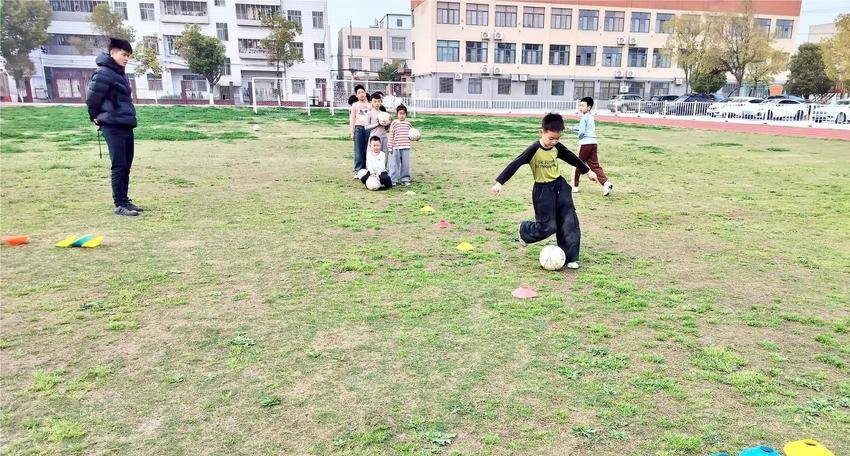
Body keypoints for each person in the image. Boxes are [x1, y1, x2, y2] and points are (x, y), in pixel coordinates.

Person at [491, 113, 598, 269]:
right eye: (551, 138)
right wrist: (499, 182)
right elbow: (515, 163)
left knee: (569, 220)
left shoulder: (557, 147)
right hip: (543, 191)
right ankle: (525, 231)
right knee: (548, 226)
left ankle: (570, 257)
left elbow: (572, 158)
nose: (554, 142)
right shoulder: (533, 149)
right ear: (542, 132)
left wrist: (588, 171)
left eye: (557, 139)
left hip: (560, 187)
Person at [85, 37, 141, 216]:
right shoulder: (103, 73)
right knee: (119, 164)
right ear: (113, 53)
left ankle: (125, 201)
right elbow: (92, 98)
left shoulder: (119, 73)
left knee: (126, 165)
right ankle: (120, 204)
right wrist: (96, 118)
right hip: (112, 125)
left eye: (128, 56)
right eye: (124, 54)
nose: (127, 59)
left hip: (125, 124)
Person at [571, 96, 613, 196]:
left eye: (583, 105)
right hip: (593, 143)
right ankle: (606, 183)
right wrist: (573, 128)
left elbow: (582, 132)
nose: (580, 107)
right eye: (580, 105)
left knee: (578, 164)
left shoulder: (584, 118)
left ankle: (575, 186)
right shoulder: (590, 117)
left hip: (585, 144)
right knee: (595, 166)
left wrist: (579, 136)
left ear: (589, 107)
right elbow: (583, 129)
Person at [387, 104, 413, 186]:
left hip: (406, 147)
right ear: (397, 114)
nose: (402, 115)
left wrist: (416, 137)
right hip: (396, 147)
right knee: (394, 165)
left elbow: (412, 135)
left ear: (406, 114)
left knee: (405, 165)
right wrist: (390, 147)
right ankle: (393, 180)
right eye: (400, 113)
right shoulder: (394, 123)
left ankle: (405, 179)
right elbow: (391, 135)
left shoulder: (408, 124)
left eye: (403, 114)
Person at [349, 85, 371, 178]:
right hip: (358, 128)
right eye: (359, 93)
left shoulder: (370, 105)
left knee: (368, 149)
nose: (361, 94)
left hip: (368, 129)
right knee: (358, 150)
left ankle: (368, 169)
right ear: (356, 95)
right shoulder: (355, 105)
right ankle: (358, 171)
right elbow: (352, 119)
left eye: (363, 92)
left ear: (365, 93)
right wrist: (352, 132)